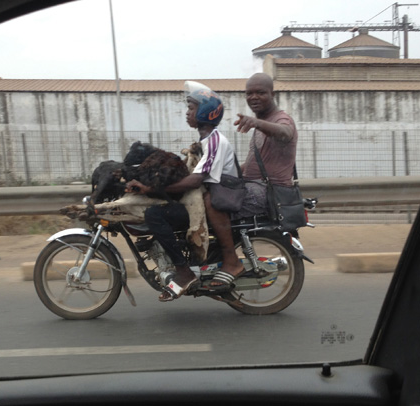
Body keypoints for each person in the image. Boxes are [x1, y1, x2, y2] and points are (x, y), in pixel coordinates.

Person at [125, 83, 244, 302]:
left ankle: (184, 271)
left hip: (219, 200)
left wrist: (153, 189)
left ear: (206, 112)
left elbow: (196, 180)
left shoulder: (216, 140)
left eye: (191, 108)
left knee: (155, 215)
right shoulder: (205, 141)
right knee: (162, 210)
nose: (187, 113)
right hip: (203, 199)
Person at [232, 72, 298, 218]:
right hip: (255, 186)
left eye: (260, 93)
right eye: (249, 93)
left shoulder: (281, 119)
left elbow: (285, 132)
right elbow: (254, 162)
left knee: (216, 209)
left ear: (272, 94)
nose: (253, 97)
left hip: (269, 191)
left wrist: (257, 123)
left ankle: (226, 242)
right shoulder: (263, 122)